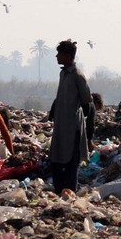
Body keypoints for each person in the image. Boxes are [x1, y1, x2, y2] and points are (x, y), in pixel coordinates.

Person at [46, 39, 94, 195]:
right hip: (61, 124)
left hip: (72, 126)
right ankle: (60, 191)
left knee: (72, 162)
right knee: (55, 159)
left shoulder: (77, 75)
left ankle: (70, 193)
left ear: (67, 55)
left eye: (59, 53)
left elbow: (87, 100)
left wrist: (88, 132)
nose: (56, 56)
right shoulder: (63, 73)